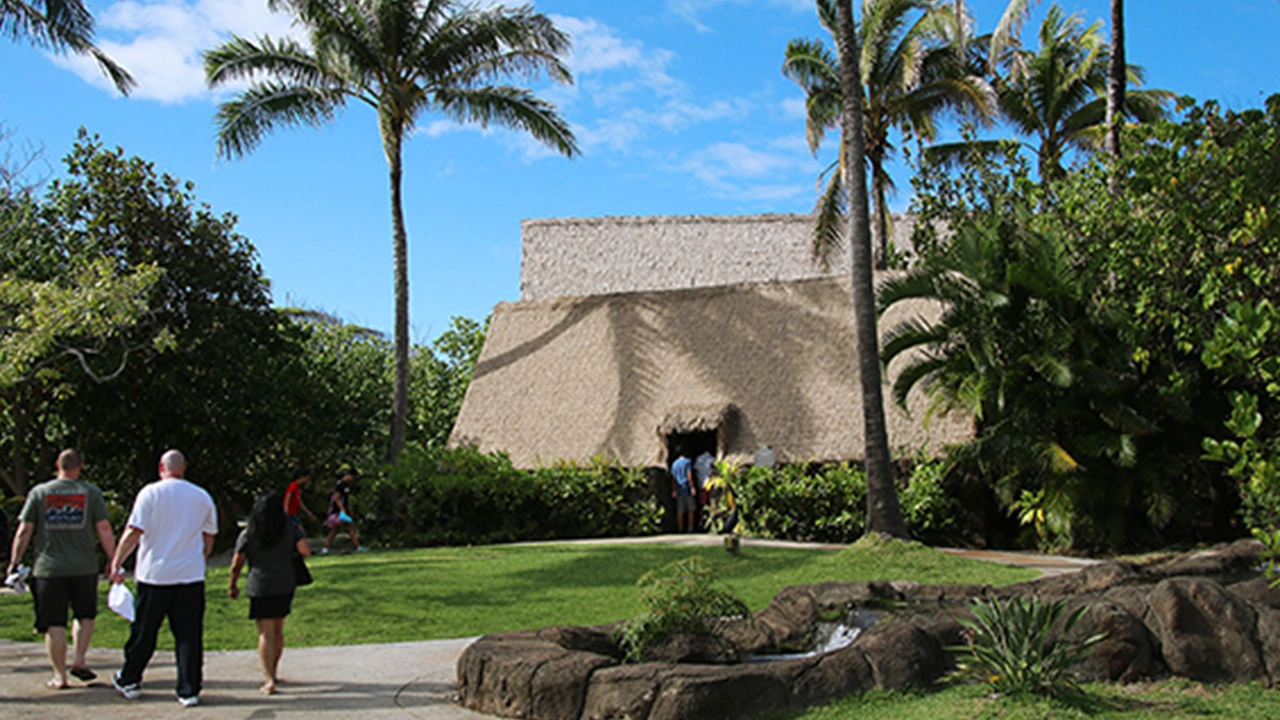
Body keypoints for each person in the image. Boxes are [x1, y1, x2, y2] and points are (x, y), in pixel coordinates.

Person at [108, 449, 217, 707]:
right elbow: (209, 535)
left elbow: (134, 532)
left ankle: (130, 678)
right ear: (184, 467)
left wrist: (117, 561)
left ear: (161, 467)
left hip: (155, 575)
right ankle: (189, 689)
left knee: (144, 632)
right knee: (189, 635)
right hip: (189, 575)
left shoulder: (150, 493)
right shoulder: (201, 496)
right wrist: (201, 558)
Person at [7, 449, 116, 689]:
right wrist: (113, 559)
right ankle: (79, 659)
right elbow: (104, 529)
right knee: (85, 615)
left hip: (49, 568)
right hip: (84, 566)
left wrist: (15, 561)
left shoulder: (40, 493)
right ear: (80, 466)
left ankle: (60, 676)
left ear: (57, 465)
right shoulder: (91, 493)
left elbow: (24, 531)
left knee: (54, 623)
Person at [228, 491, 311, 695]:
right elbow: (305, 551)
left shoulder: (249, 532)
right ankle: (274, 669)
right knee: (278, 631)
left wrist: (233, 585)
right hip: (284, 584)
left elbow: (236, 563)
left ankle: (269, 678)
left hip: (260, 585)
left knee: (265, 634)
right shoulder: (289, 528)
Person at [322, 468, 365, 553]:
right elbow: (336, 498)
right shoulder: (340, 485)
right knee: (340, 529)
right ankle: (358, 546)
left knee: (344, 528)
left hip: (344, 510)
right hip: (338, 511)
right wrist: (342, 510)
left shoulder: (346, 485)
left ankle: (326, 547)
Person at [670, 451, 695, 534]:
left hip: (679, 488)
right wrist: (692, 487)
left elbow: (673, 478)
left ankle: (680, 528)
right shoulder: (687, 462)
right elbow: (689, 475)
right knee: (691, 509)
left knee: (680, 510)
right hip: (687, 487)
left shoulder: (674, 464)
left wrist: (674, 489)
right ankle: (690, 528)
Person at [694, 451, 714, 531]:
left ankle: (702, 521)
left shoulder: (699, 459)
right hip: (709, 484)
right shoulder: (712, 458)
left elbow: (695, 470)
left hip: (701, 484)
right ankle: (707, 520)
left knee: (702, 504)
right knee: (709, 503)